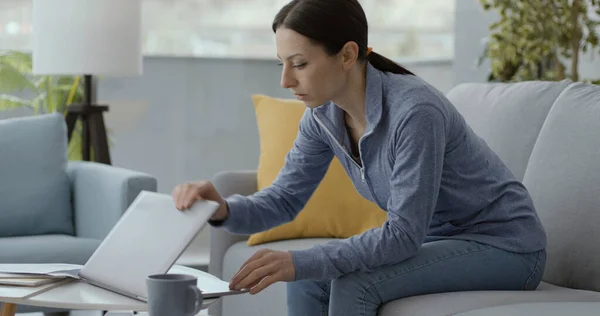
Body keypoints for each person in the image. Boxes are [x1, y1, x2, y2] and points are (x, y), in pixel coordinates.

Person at [172, 0, 547, 315]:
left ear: (348, 54)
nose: (285, 80)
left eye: (299, 64)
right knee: (307, 277)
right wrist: (222, 209)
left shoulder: (415, 113)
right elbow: (285, 200)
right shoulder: (322, 117)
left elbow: (402, 235)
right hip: (438, 243)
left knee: (353, 281)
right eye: (281, 64)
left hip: (504, 246)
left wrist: (300, 260)